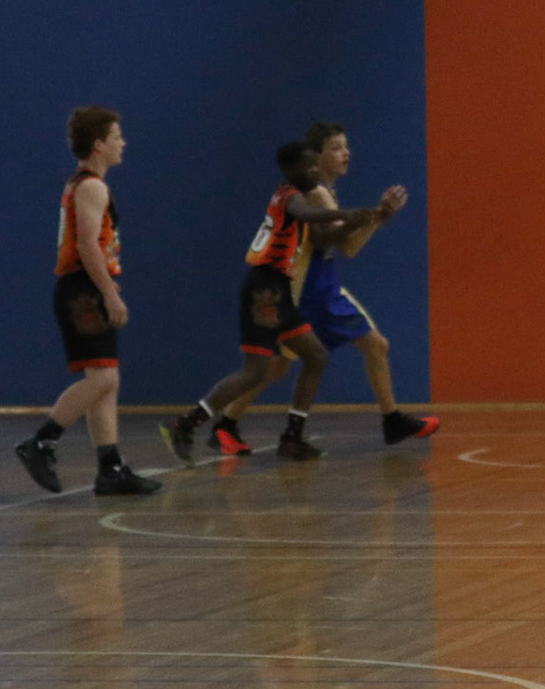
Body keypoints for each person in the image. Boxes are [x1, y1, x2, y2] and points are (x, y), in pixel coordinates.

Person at [210, 122, 438, 450]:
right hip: (312, 292)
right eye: (336, 147)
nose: (346, 153)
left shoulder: (324, 192)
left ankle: (226, 424)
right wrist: (378, 214)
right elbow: (346, 244)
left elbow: (349, 245)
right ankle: (390, 421)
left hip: (315, 288)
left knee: (278, 366)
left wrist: (378, 216)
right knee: (374, 346)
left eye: (346, 146)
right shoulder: (315, 194)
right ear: (316, 158)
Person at [162, 142, 395, 461]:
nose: (314, 171)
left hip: (279, 290)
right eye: (308, 166)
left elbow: (322, 237)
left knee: (315, 356)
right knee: (255, 372)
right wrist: (344, 214)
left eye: (315, 166)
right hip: (264, 291)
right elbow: (306, 213)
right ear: (290, 171)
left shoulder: (296, 197)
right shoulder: (289, 196)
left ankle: (292, 436)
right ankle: (185, 424)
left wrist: (363, 219)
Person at [13, 107, 161, 497]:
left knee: (107, 380)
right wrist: (109, 294)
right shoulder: (93, 187)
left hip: (84, 288)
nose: (123, 143)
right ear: (98, 145)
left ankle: (110, 468)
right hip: (83, 292)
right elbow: (87, 246)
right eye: (116, 137)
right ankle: (41, 442)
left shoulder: (81, 183)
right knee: (103, 379)